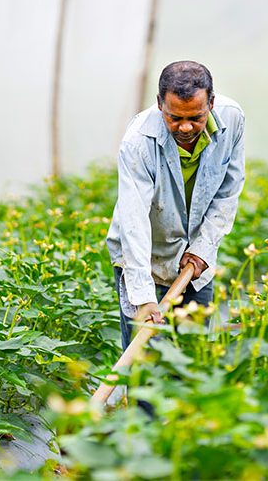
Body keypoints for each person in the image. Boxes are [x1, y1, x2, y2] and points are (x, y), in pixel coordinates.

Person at [106, 61, 245, 351]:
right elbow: (134, 221)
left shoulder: (232, 119)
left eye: (196, 117)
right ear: (160, 104)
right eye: (174, 117)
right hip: (143, 259)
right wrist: (144, 297)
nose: (185, 127)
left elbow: (228, 191)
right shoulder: (138, 142)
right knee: (145, 359)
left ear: (211, 103)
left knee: (192, 352)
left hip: (195, 260)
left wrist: (203, 248)